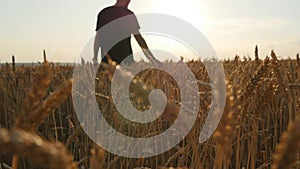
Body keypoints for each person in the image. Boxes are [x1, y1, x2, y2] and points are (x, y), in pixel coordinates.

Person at [93, 0, 160, 65]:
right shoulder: (128, 14)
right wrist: (152, 59)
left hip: (107, 62)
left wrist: (95, 58)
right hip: (126, 61)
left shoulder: (103, 13)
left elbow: (98, 39)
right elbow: (139, 39)